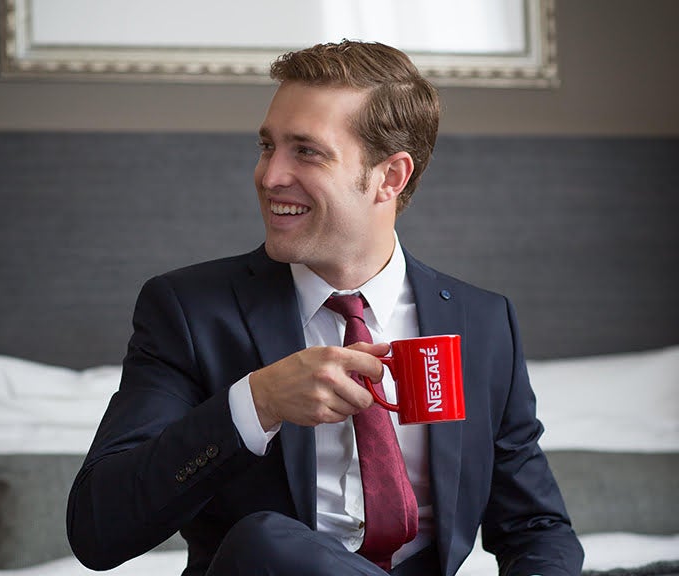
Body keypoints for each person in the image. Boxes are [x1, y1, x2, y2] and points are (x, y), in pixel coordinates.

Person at [67, 40, 583, 575]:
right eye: (268, 147)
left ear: (390, 177)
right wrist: (255, 403)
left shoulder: (481, 323)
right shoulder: (189, 312)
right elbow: (97, 531)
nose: (269, 177)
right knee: (266, 542)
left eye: (306, 151)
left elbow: (536, 528)